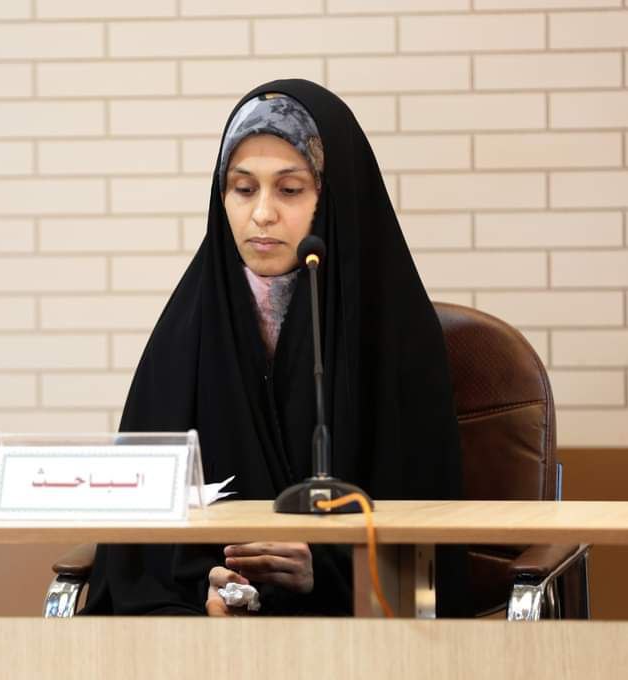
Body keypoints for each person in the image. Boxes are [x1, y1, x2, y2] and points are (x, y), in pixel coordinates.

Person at [81, 79, 470, 617]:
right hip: (207, 632)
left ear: (332, 198)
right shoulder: (186, 332)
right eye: (243, 189)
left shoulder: (395, 335)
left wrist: (323, 569)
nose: (262, 213)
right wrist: (206, 585)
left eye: (289, 190)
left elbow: (428, 542)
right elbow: (138, 543)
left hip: (359, 631)